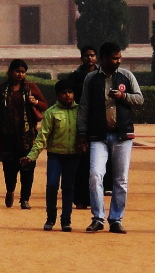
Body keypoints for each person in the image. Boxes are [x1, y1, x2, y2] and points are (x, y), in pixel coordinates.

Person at [77, 42, 143, 233]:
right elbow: (84, 107)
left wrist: (123, 96)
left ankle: (116, 218)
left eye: (119, 57)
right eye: (114, 58)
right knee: (95, 175)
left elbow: (139, 99)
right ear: (103, 58)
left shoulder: (126, 76)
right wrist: (82, 133)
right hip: (99, 135)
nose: (118, 60)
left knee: (120, 179)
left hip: (122, 135)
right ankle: (98, 217)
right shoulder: (91, 79)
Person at [22, 77, 79, 231]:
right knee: (52, 186)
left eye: (70, 92)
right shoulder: (51, 113)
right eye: (63, 93)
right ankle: (50, 218)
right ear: (57, 95)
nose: (67, 95)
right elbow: (42, 137)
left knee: (68, 187)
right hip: (55, 155)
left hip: (73, 155)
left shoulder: (79, 111)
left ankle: (66, 220)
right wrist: (32, 156)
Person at [0, 59, 46, 208]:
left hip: (26, 135)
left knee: (28, 167)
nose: (20, 74)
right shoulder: (2, 90)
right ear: (10, 71)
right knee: (9, 168)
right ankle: (10, 190)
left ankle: (25, 199)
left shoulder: (30, 88)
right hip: (8, 136)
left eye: (23, 72)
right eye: (17, 71)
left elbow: (44, 105)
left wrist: (35, 102)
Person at [67, 45, 98, 209]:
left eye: (92, 55)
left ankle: (94, 198)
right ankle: (80, 198)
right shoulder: (75, 76)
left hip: (98, 123)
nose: (90, 58)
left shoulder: (102, 76)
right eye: (87, 55)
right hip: (80, 121)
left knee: (96, 164)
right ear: (82, 58)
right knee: (81, 162)